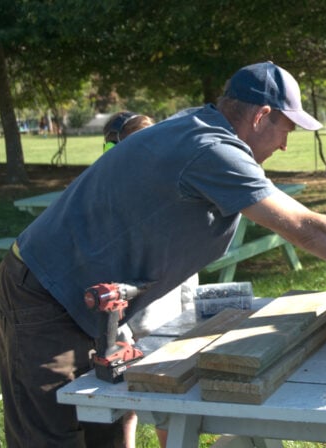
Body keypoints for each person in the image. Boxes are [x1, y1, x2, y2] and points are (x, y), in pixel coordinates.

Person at [0, 61, 326, 448]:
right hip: (46, 295)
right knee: (52, 433)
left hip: (97, 304)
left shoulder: (205, 132)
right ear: (261, 116)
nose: (284, 144)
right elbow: (308, 229)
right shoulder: (209, 148)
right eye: (285, 128)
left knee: (108, 423)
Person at [103, 110, 199, 448]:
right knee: (122, 402)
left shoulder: (172, 187)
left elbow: (187, 262)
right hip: (133, 322)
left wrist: (191, 312)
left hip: (172, 317)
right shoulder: (107, 199)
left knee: (169, 405)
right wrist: (120, 332)